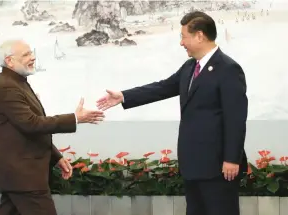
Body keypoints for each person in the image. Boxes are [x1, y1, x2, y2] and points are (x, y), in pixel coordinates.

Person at [96, 11, 248, 215]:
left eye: (183, 36)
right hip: (193, 165)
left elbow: (235, 119)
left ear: (199, 36)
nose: (181, 43)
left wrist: (232, 159)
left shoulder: (228, 69)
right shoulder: (189, 67)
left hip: (218, 167)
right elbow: (163, 87)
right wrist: (123, 96)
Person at [0, 39, 105, 215]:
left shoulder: (16, 82)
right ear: (9, 61)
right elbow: (32, 124)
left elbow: (27, 130)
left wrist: (56, 157)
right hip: (23, 176)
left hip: (19, 174)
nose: (32, 57)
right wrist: (75, 118)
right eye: (26, 54)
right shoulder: (8, 87)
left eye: (31, 53)